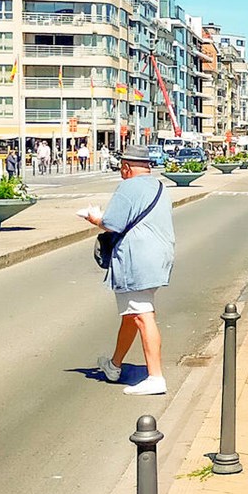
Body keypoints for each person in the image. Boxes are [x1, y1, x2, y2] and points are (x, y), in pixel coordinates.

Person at [87, 145, 176, 396]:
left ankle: (155, 377)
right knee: (132, 313)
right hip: (160, 256)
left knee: (142, 315)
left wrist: (94, 218)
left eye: (121, 167)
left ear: (126, 167)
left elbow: (112, 223)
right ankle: (114, 365)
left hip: (136, 258)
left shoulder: (127, 187)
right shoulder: (160, 187)